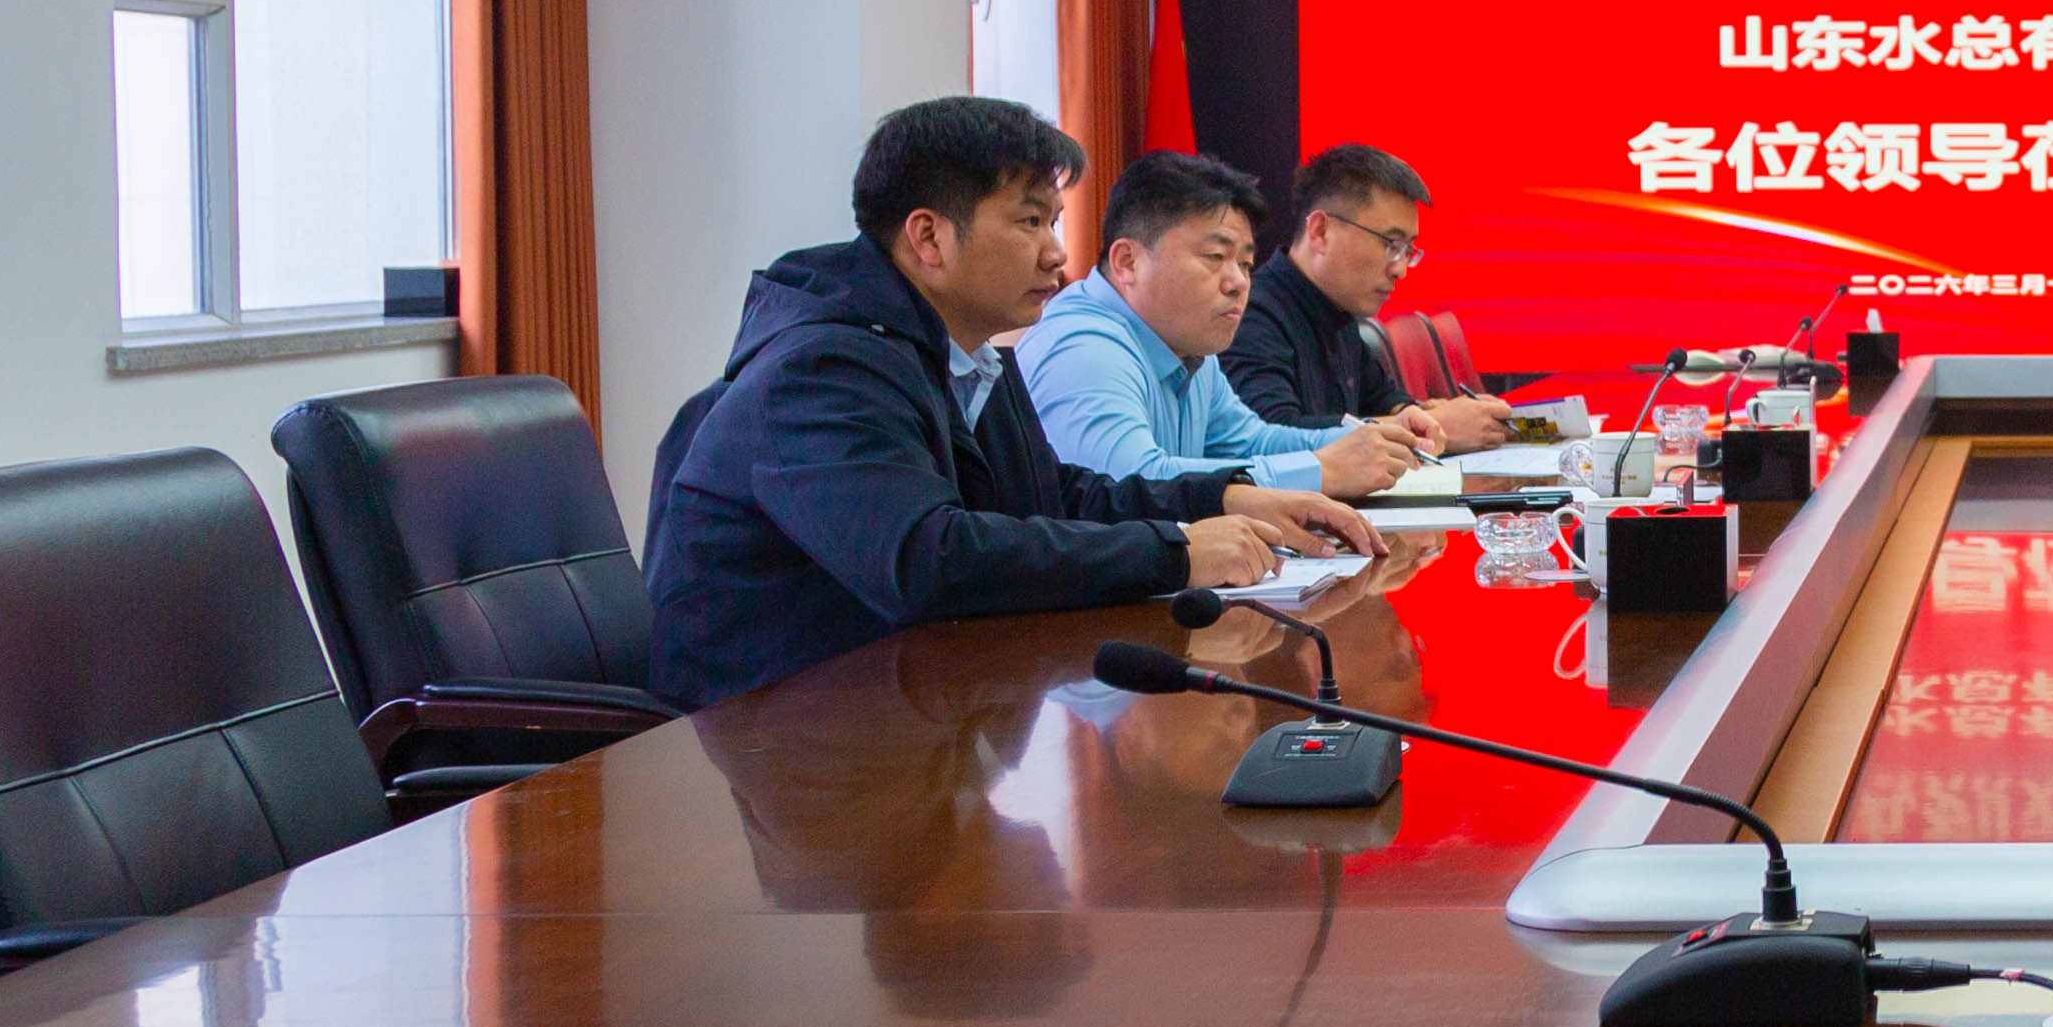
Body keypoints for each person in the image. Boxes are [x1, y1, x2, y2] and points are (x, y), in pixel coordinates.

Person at [646, 100, 1383, 711]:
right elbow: (926, 560)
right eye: (1031, 222)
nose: (1057, 253)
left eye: (1054, 223)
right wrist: (1175, 552)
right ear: (929, 237)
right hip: (763, 737)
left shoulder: (965, 353)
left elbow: (1055, 496)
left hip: (900, 705)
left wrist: (1225, 497)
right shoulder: (823, 371)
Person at [1018, 150, 1448, 502]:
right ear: (1127, 262)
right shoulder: (1084, 349)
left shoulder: (1189, 345)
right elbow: (1133, 484)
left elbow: (1251, 441)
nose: (1239, 282)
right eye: (1215, 257)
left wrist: (1365, 441)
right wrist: (1320, 470)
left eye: (1244, 262)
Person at [1224, 144, 1520, 449]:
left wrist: (1425, 413)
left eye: (1408, 250)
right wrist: (1435, 426)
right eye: (1390, 244)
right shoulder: (1250, 314)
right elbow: (1270, 436)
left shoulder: (1338, 310)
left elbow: (1385, 400)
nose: (1400, 269)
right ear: (1320, 231)